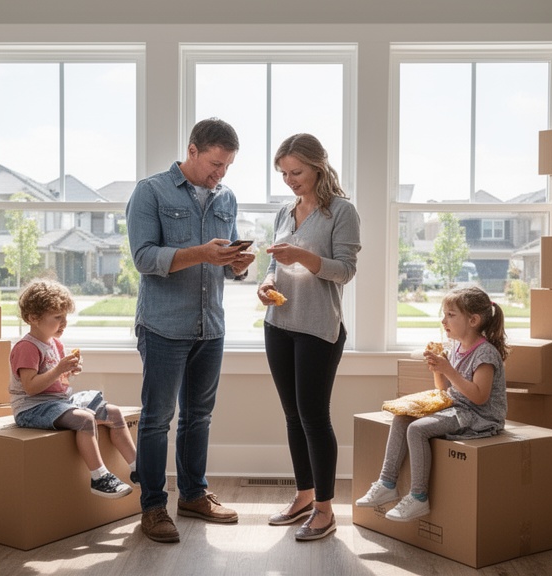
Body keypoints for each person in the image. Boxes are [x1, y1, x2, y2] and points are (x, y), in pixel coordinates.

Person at [125, 117, 255, 543]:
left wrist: (237, 264)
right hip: (164, 325)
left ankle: (194, 495)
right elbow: (144, 258)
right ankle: (153, 507)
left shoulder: (226, 197)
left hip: (210, 324)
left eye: (227, 167)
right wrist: (201, 253)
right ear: (192, 150)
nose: (220, 174)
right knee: (157, 419)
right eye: (215, 164)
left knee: (199, 416)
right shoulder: (150, 192)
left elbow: (226, 256)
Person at [257, 133, 361, 542]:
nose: (290, 180)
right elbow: (275, 267)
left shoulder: (342, 212)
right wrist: (266, 282)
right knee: (292, 417)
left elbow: (345, 271)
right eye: (283, 173)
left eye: (296, 172)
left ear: (318, 165)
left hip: (319, 328)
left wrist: (301, 256)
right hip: (278, 323)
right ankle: (303, 495)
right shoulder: (286, 211)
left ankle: (325, 510)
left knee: (315, 418)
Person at [355, 286, 509, 522]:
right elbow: (444, 389)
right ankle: (387, 483)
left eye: (450, 315)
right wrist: (438, 368)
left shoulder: (485, 354)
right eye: (444, 314)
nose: (443, 320)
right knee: (403, 416)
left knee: (417, 429)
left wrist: (448, 369)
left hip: (480, 416)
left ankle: (418, 497)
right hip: (458, 406)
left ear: (473, 320)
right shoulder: (455, 348)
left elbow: (479, 397)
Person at [8, 278, 138, 499]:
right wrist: (59, 369)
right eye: (57, 317)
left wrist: (68, 371)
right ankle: (99, 477)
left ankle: (139, 469)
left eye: (65, 316)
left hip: (58, 402)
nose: (64, 322)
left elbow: (58, 383)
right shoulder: (27, 347)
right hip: (32, 408)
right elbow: (30, 388)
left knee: (115, 413)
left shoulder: (55, 344)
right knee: (85, 420)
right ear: (33, 318)